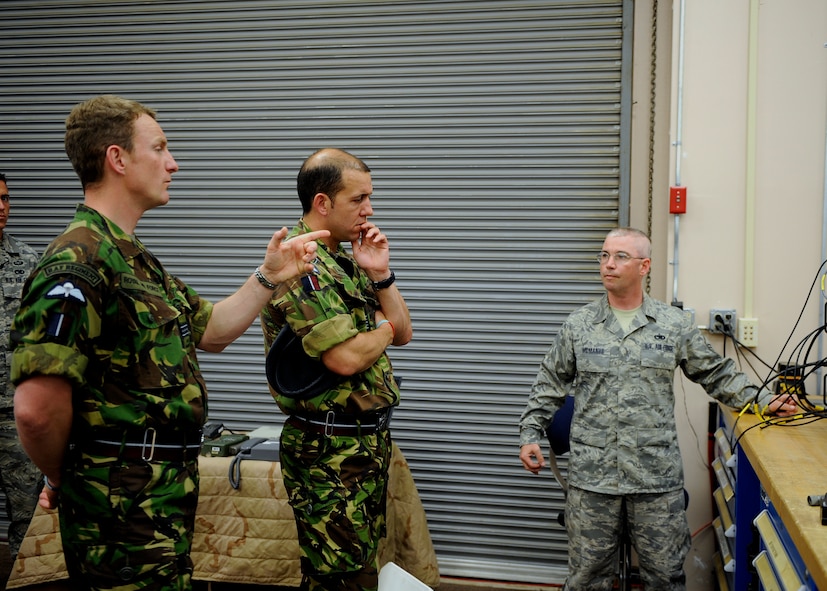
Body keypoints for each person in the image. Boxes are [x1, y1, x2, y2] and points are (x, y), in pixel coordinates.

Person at [10, 94, 328, 591]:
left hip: (157, 499)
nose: (173, 163)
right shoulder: (77, 262)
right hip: (117, 508)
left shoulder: (134, 259)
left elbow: (213, 329)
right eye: (159, 148)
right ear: (117, 158)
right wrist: (63, 475)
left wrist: (270, 275)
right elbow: (35, 411)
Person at [518, 227, 799, 591]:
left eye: (620, 256)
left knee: (665, 580)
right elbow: (549, 383)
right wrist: (530, 433)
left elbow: (715, 373)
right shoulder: (579, 325)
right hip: (593, 481)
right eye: (604, 255)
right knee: (586, 581)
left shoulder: (673, 325)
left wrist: (762, 400)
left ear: (644, 266)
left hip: (655, 480)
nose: (608, 264)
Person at [260, 147, 412, 591]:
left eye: (370, 197)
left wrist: (380, 274)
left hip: (362, 444)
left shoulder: (347, 258)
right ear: (322, 203)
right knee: (337, 580)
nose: (369, 210)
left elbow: (404, 332)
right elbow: (344, 358)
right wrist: (384, 328)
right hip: (327, 450)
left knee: (359, 570)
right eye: (358, 199)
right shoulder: (301, 263)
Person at [0, 173, 40, 562]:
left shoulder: (29, 261)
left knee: (28, 511)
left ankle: (23, 579)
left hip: (14, 410)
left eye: (6, 198)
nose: (1, 207)